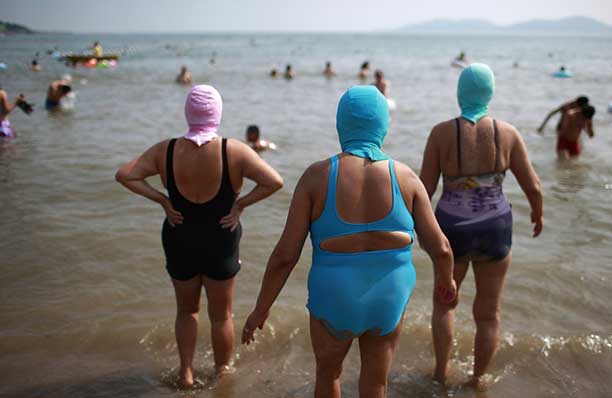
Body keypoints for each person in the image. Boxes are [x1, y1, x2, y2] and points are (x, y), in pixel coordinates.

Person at [241, 85, 457, 398]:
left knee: (328, 376)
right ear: (383, 124)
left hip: (334, 296)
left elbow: (285, 256)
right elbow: (441, 248)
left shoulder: (316, 177)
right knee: (376, 383)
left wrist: (261, 309)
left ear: (341, 124)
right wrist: (447, 281)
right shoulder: (406, 178)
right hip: (388, 296)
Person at [115, 85, 283, 387]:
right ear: (217, 113)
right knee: (221, 316)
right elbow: (274, 182)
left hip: (180, 237)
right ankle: (221, 376)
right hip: (221, 237)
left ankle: (186, 374)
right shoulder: (233, 150)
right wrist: (240, 205)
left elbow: (125, 175)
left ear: (187, 112)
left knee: (186, 311)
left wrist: (164, 200)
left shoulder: (165, 150)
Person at [420, 63, 543, 388]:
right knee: (489, 313)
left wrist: (415, 227)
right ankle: (476, 380)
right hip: (495, 228)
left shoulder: (441, 133)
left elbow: (424, 189)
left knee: (445, 304)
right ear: (489, 92)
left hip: (452, 229)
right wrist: (537, 214)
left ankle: (441, 373)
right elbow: (533, 186)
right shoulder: (508, 133)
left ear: (460, 93)